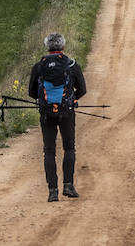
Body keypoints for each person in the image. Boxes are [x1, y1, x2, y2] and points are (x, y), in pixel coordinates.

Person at [28, 32, 87, 202]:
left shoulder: (39, 67)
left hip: (46, 113)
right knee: (69, 148)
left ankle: (52, 191)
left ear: (47, 47)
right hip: (67, 113)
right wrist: (72, 100)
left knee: (49, 151)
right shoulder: (71, 65)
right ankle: (68, 186)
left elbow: (32, 92)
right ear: (63, 47)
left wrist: (45, 101)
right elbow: (82, 89)